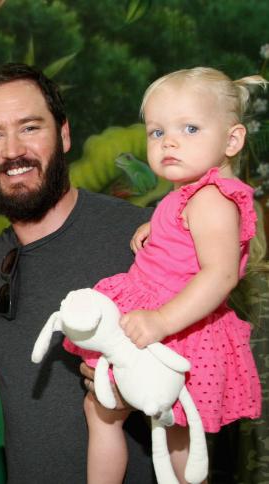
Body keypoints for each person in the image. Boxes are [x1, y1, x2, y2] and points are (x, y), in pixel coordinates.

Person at [63, 67, 264, 483]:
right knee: (105, 409)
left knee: (178, 435)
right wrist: (156, 225)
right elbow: (184, 234)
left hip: (180, 327)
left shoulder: (213, 201)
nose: (169, 141)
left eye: (189, 128)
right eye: (157, 132)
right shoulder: (189, 192)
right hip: (150, 316)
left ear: (232, 140)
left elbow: (220, 276)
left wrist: (162, 321)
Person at [0, 62, 155, 483]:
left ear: (65, 134)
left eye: (30, 127)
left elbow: (211, 370)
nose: (12, 149)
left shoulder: (139, 238)